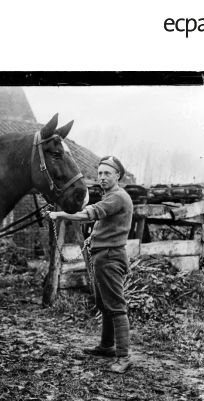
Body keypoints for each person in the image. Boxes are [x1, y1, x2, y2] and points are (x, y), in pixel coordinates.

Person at [49, 155, 134, 373]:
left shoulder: (118, 197)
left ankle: (123, 357)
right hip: (101, 255)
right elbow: (103, 223)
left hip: (110, 257)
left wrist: (61, 214)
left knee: (115, 306)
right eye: (100, 173)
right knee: (103, 302)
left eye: (107, 173)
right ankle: (106, 346)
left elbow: (92, 213)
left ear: (118, 176)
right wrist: (92, 239)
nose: (103, 177)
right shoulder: (111, 196)